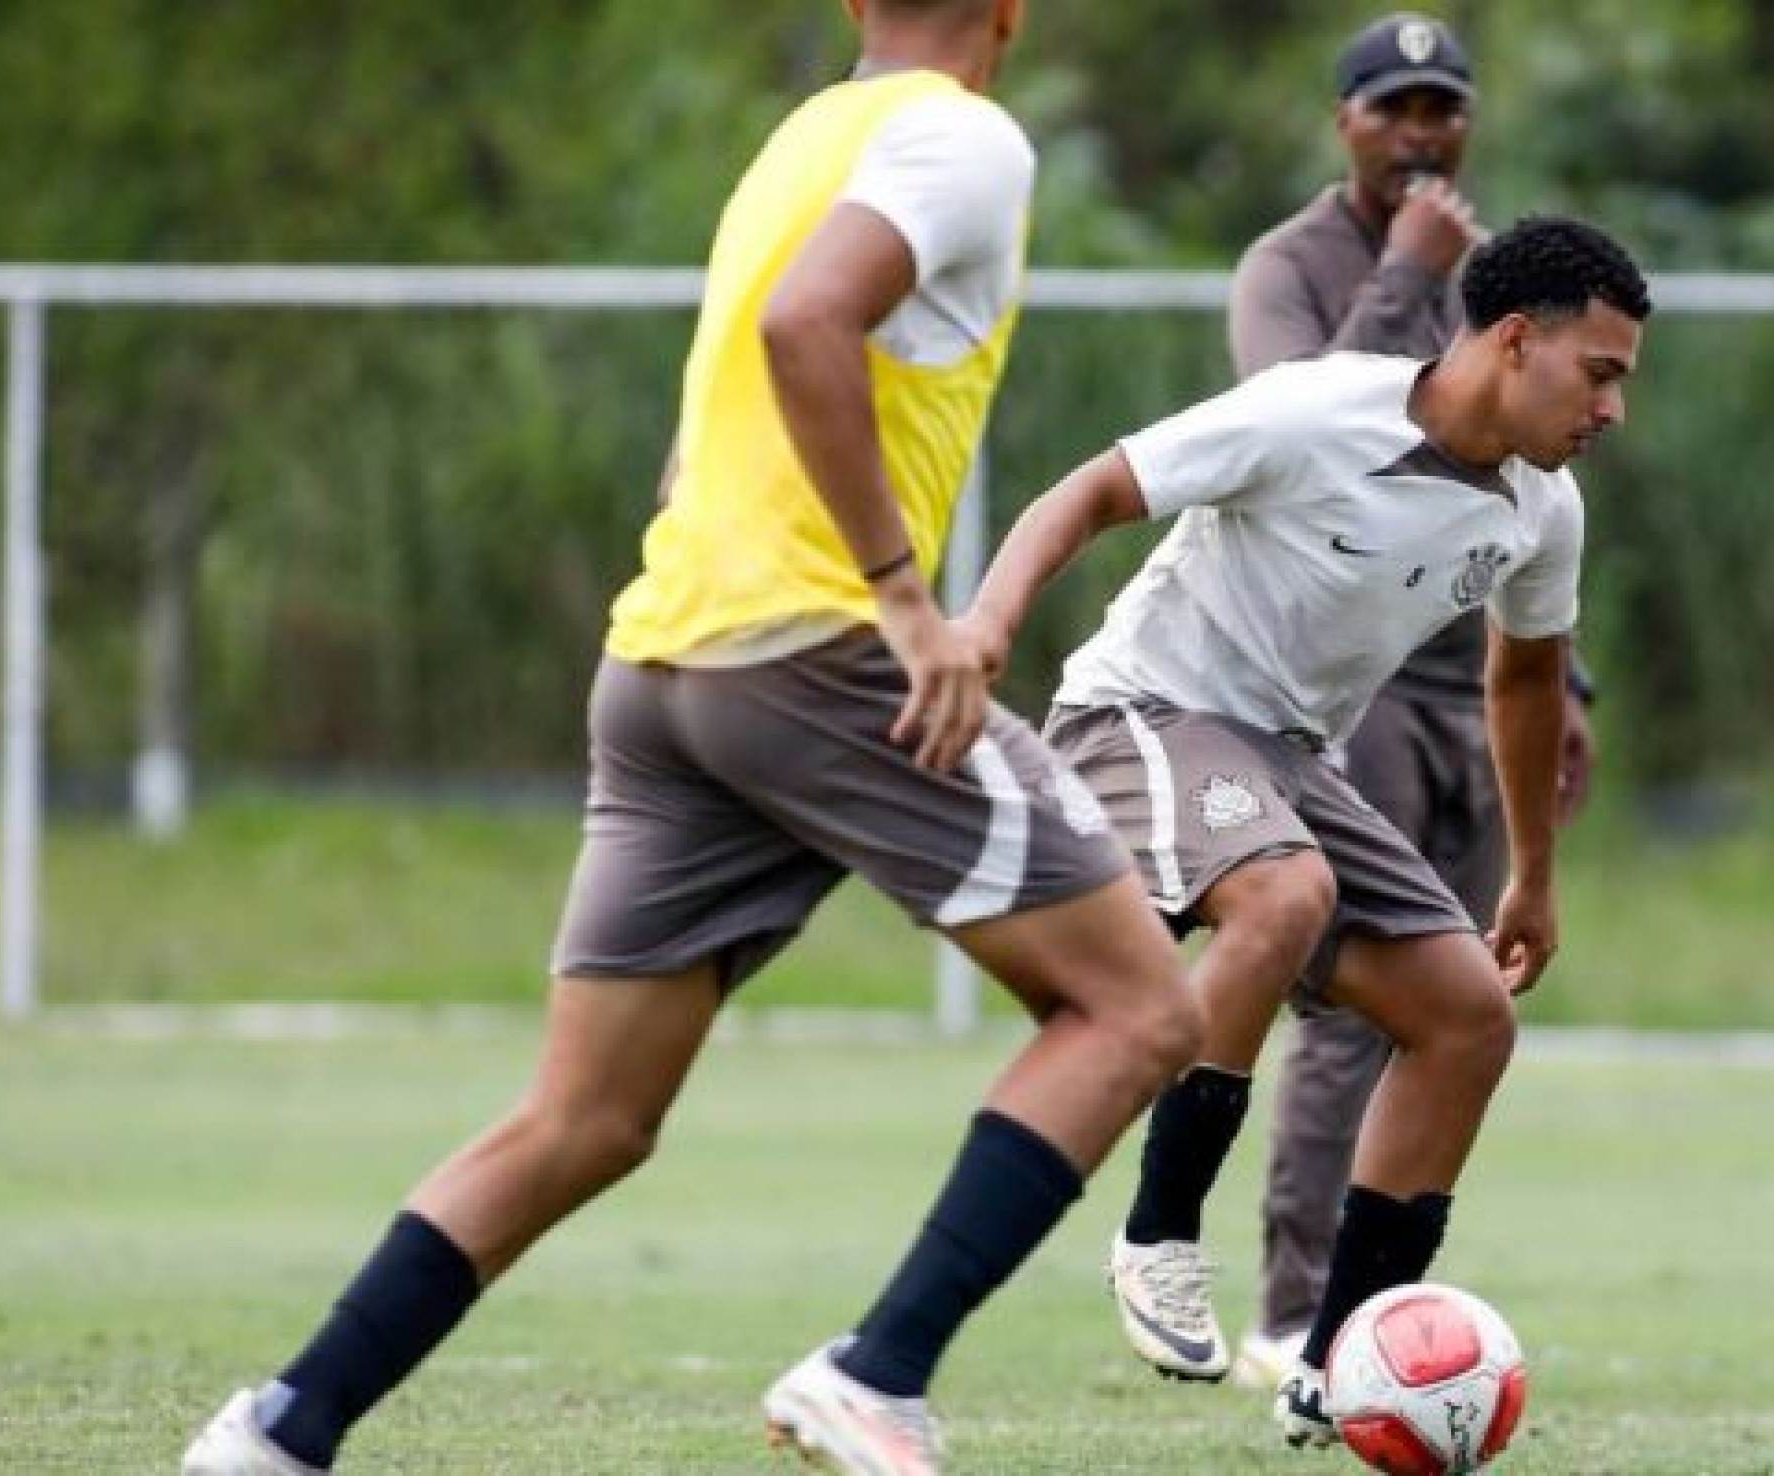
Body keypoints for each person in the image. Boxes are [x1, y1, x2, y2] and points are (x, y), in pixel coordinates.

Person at [180, 3, 1203, 1473]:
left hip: (665, 659)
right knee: (1142, 1011)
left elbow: (718, 395)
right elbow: (805, 327)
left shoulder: (800, 139)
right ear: (1014, 9)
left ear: (855, 3)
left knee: (585, 1117)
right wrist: (906, 604)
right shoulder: (966, 136)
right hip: (821, 659)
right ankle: (877, 1374)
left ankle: (280, 1429)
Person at [954, 216, 1650, 1446]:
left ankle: (1336, 1365)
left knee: (1463, 1017)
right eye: (1598, 373)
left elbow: (1526, 683)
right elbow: (1092, 490)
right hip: (1139, 711)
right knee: (1284, 897)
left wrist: (1533, 877)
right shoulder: (1313, 411)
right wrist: (989, 623)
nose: (1610, 409)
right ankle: (1160, 1230)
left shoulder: (1542, 512)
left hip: (1288, 761)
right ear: (1511, 340)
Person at [1224, 11, 1598, 1390]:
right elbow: (1288, 432)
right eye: (1394, 107)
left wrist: (1566, 685)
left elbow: (1523, 487)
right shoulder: (1296, 266)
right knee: (1349, 1004)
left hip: (1471, 689)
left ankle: (1378, 1320)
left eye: (1443, 106)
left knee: (1461, 1003)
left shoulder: (1498, 279)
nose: (1423, 131)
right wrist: (1402, 274)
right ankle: (1290, 1311)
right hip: (1341, 689)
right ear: (1347, 126)